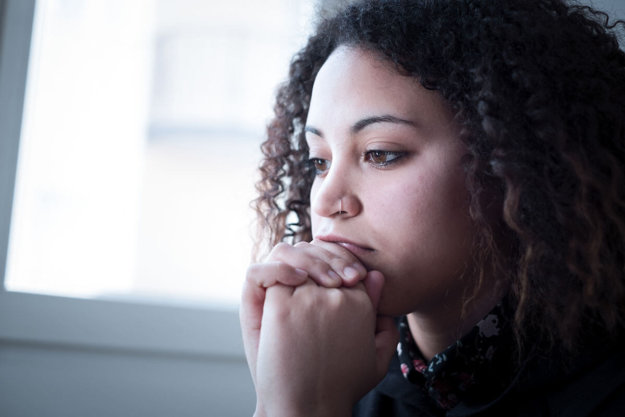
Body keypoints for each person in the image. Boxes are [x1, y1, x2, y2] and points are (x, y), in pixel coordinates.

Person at [239, 0, 625, 415]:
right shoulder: (326, 360)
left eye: (380, 153)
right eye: (319, 161)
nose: (328, 201)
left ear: (511, 162)